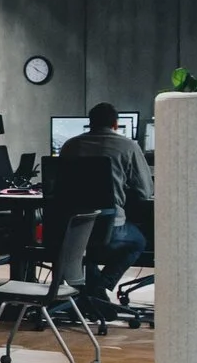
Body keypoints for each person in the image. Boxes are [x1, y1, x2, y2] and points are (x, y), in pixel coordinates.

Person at [57, 102, 151, 302]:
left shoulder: (69, 146)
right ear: (115, 124)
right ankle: (101, 285)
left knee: (84, 249)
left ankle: (89, 289)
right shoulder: (128, 146)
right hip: (109, 227)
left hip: (73, 228)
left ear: (89, 123)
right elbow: (145, 190)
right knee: (138, 241)